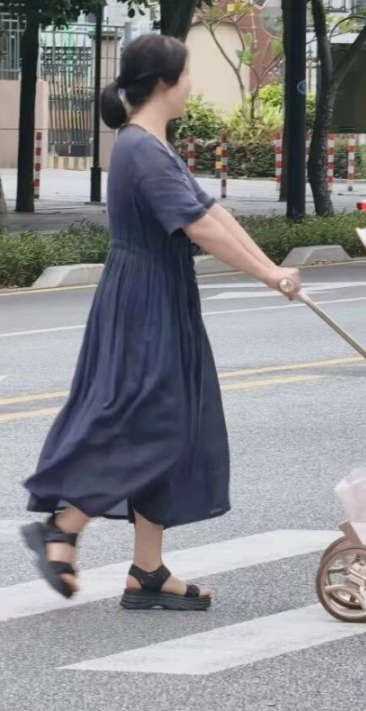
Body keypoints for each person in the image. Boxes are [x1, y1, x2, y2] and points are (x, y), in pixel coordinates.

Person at [20, 34, 302, 609]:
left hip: (156, 293)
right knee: (156, 422)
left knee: (164, 420)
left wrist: (273, 268)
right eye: (188, 75)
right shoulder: (142, 151)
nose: (191, 86)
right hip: (145, 298)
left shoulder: (149, 145)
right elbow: (201, 230)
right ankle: (65, 524)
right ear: (165, 83)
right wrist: (269, 277)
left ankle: (147, 571)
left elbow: (212, 213)